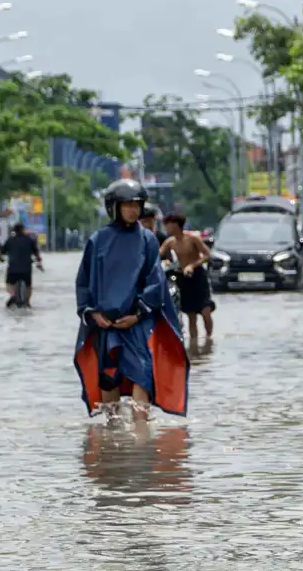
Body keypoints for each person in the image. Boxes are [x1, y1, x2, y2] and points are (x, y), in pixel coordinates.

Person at [73, 179, 189, 422]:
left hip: (137, 322)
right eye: (127, 205)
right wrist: (93, 313)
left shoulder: (147, 239)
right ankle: (112, 439)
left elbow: (155, 280)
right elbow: (84, 282)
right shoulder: (97, 240)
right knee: (108, 379)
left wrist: (138, 313)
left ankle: (141, 437)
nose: (133, 210)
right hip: (105, 323)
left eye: (136, 205)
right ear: (114, 207)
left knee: (142, 375)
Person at [160, 211, 215, 344]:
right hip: (182, 278)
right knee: (191, 315)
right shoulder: (170, 242)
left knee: (205, 311)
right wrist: (165, 262)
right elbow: (157, 255)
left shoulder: (192, 239)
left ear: (175, 225)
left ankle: (209, 340)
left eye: (167, 225)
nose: (166, 229)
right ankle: (194, 345)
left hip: (197, 277)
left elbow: (207, 255)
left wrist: (192, 265)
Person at [0, 223, 44, 308]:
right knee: (28, 286)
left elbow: (0, 254)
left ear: (14, 231)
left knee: (9, 285)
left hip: (13, 269)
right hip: (26, 269)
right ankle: (27, 302)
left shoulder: (10, 240)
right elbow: (37, 254)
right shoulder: (30, 240)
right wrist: (39, 262)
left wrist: (1, 259)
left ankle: (13, 295)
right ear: (23, 230)